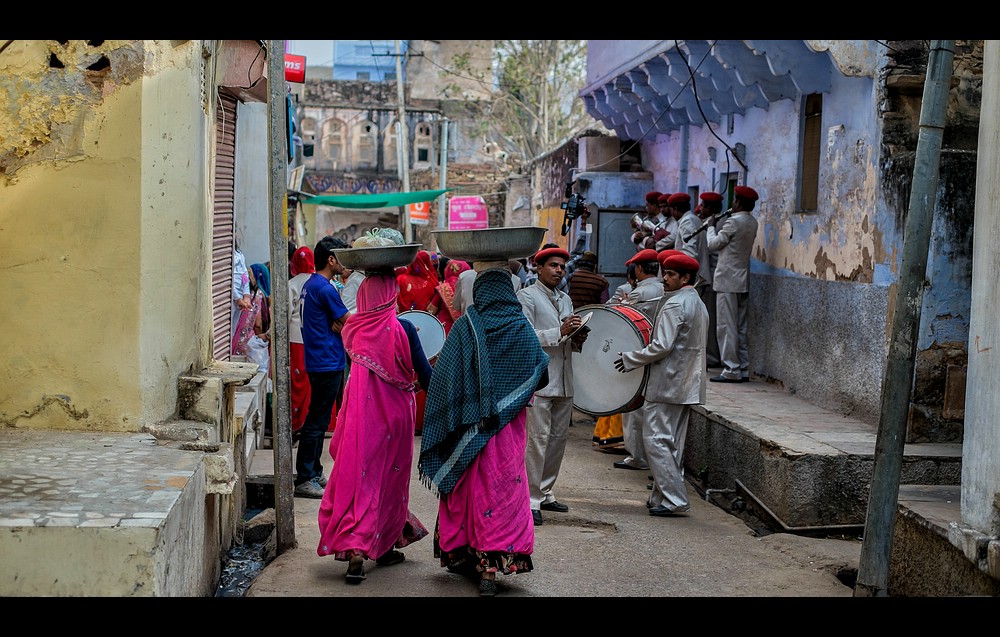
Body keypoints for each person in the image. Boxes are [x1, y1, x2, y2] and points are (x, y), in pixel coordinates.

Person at [418, 266, 550, 597]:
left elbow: (444, 378)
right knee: (503, 490)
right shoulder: (521, 328)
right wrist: (514, 392)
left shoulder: (465, 327)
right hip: (508, 432)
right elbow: (540, 373)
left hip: (468, 429)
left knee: (469, 488)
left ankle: (469, 556)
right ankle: (493, 567)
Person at [317, 271, 434, 583]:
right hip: (396, 419)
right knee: (389, 482)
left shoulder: (353, 329)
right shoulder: (405, 328)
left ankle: (357, 548)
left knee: (360, 478)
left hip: (359, 415)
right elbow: (426, 378)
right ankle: (381, 547)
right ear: (391, 295)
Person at [614, 251, 708, 516]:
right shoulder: (696, 302)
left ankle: (675, 499)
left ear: (685, 278)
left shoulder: (676, 304)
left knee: (655, 440)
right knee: (671, 443)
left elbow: (661, 346)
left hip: (668, 382)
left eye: (670, 274)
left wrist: (631, 358)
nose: (664, 278)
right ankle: (661, 498)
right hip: (686, 384)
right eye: (665, 273)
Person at [516, 246, 589, 526]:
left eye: (562, 266)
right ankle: (531, 497)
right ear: (538, 267)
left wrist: (577, 338)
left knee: (558, 439)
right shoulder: (527, 297)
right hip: (540, 379)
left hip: (564, 378)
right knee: (537, 440)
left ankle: (546, 491)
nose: (559, 271)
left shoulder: (566, 299)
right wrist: (559, 332)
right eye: (554, 266)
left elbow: (568, 337)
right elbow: (525, 337)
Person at [295, 236, 352, 499]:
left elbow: (339, 322)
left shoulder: (312, 284)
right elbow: (348, 321)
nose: (344, 263)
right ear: (331, 259)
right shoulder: (325, 288)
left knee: (317, 419)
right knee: (317, 421)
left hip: (320, 358)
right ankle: (306, 476)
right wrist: (343, 324)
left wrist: (339, 324)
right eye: (341, 257)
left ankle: (314, 471)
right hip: (326, 360)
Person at [612, 248, 663, 473]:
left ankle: (636, 456)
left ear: (639, 269)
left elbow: (623, 318)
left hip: (636, 352)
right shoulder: (664, 288)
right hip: (656, 353)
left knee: (633, 408)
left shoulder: (639, 292)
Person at [706, 185, 759, 383]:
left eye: (735, 201)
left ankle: (731, 369)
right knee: (741, 326)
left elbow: (713, 245)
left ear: (739, 202)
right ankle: (743, 367)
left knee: (726, 326)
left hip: (727, 280)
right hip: (741, 279)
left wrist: (711, 226)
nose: (733, 204)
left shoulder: (732, 222)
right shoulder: (752, 222)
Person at [686, 191, 724, 368]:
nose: (702, 209)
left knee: (713, 321)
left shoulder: (720, 224)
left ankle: (713, 357)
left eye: (706, 206)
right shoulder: (706, 223)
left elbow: (711, 247)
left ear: (714, 208)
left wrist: (710, 227)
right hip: (711, 277)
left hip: (715, 278)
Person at [288, 246, 316, 433]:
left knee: (295, 380)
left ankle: (295, 421)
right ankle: (306, 421)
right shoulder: (318, 283)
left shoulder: (291, 284)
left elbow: (284, 314)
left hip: (295, 338)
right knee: (310, 381)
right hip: (314, 338)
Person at [231, 262, 271, 358]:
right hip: (250, 343)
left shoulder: (241, 297)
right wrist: (260, 339)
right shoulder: (258, 296)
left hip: (235, 340)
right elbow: (258, 325)